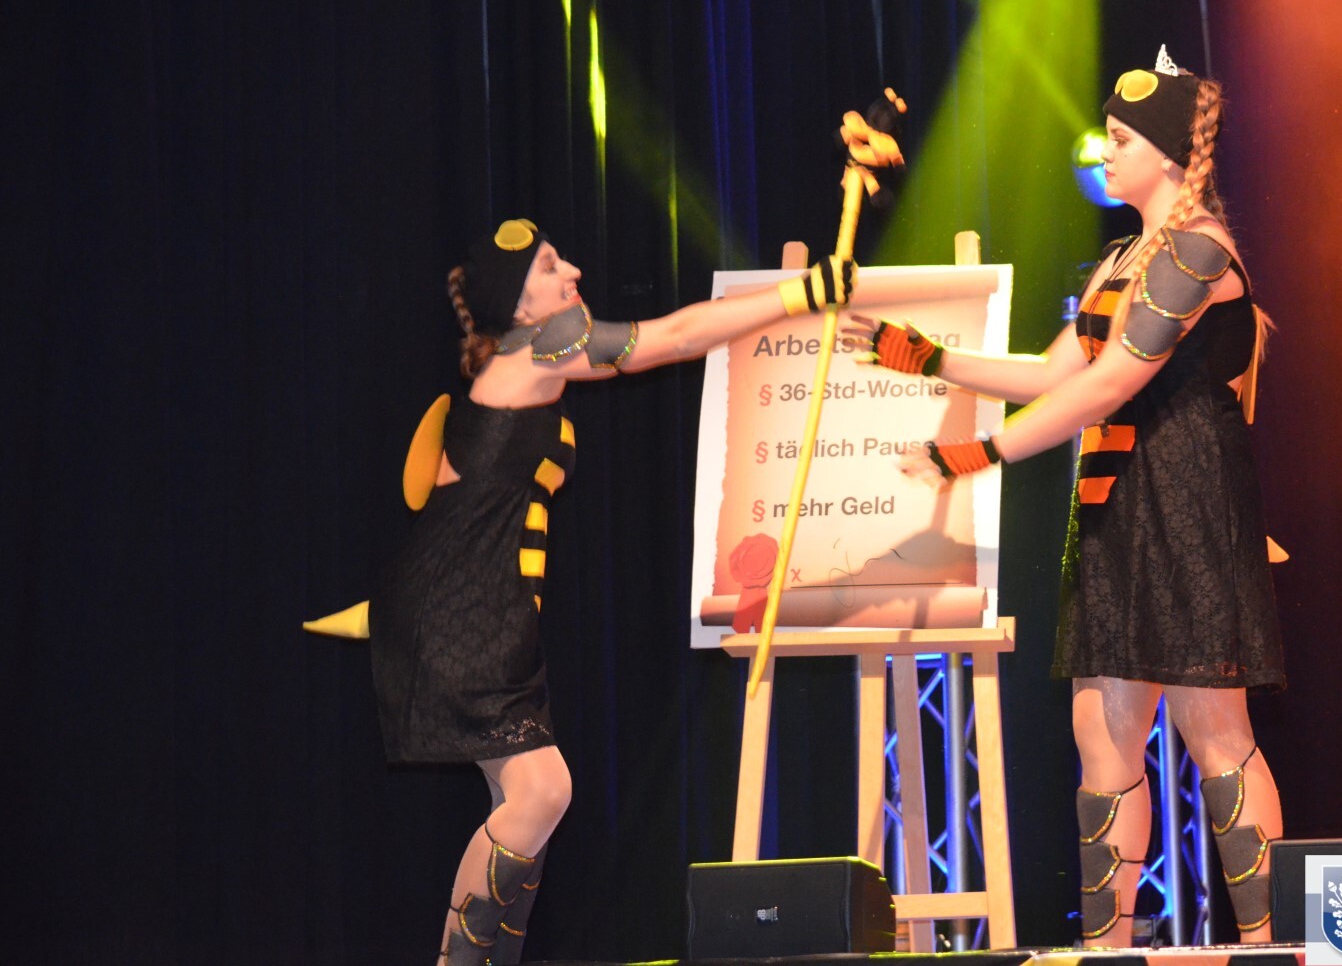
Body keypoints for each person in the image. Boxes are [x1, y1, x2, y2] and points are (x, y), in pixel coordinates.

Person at [844, 47, 1284, 946]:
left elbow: (1109, 382)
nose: (1103, 152)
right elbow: (1053, 372)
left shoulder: (1198, 251)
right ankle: (1104, 949)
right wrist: (924, 357)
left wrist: (977, 453)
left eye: (1120, 139)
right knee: (1101, 734)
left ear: (1167, 153)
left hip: (1186, 503)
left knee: (1211, 728)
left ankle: (1269, 947)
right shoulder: (1121, 257)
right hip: (1115, 505)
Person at [332, 218, 856, 965]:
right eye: (550, 267)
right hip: (456, 609)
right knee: (542, 791)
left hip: (486, 610)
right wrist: (800, 293)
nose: (572, 270)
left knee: (529, 800)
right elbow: (673, 337)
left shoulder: (526, 358)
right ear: (519, 305)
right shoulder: (535, 349)